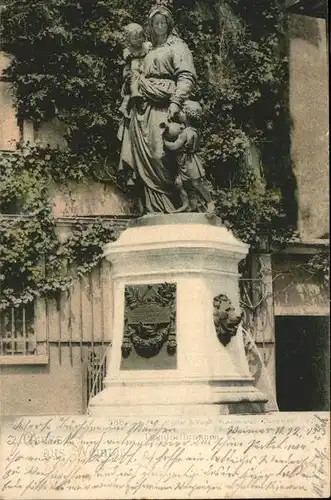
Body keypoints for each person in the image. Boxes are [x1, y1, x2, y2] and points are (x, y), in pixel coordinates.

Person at [118, 5, 197, 213]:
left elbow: (186, 77)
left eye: (163, 22)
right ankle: (153, 208)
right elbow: (133, 72)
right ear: (150, 25)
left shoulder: (178, 47)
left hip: (164, 107)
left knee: (159, 155)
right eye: (155, 23)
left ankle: (179, 204)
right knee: (144, 158)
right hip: (142, 110)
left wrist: (175, 102)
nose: (159, 26)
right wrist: (129, 82)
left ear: (169, 24)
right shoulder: (147, 48)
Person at [162, 100, 215, 213]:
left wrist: (165, 141)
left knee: (196, 183)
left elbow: (175, 146)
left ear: (188, 116)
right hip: (184, 161)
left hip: (189, 161)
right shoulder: (192, 130)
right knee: (180, 183)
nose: (179, 113)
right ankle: (189, 204)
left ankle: (210, 202)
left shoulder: (186, 132)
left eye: (182, 112)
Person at [118, 23, 152, 120]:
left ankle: (126, 106)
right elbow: (128, 63)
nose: (138, 40)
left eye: (140, 37)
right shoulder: (129, 50)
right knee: (132, 81)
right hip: (134, 71)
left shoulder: (146, 46)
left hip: (145, 70)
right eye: (135, 38)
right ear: (129, 40)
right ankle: (130, 100)